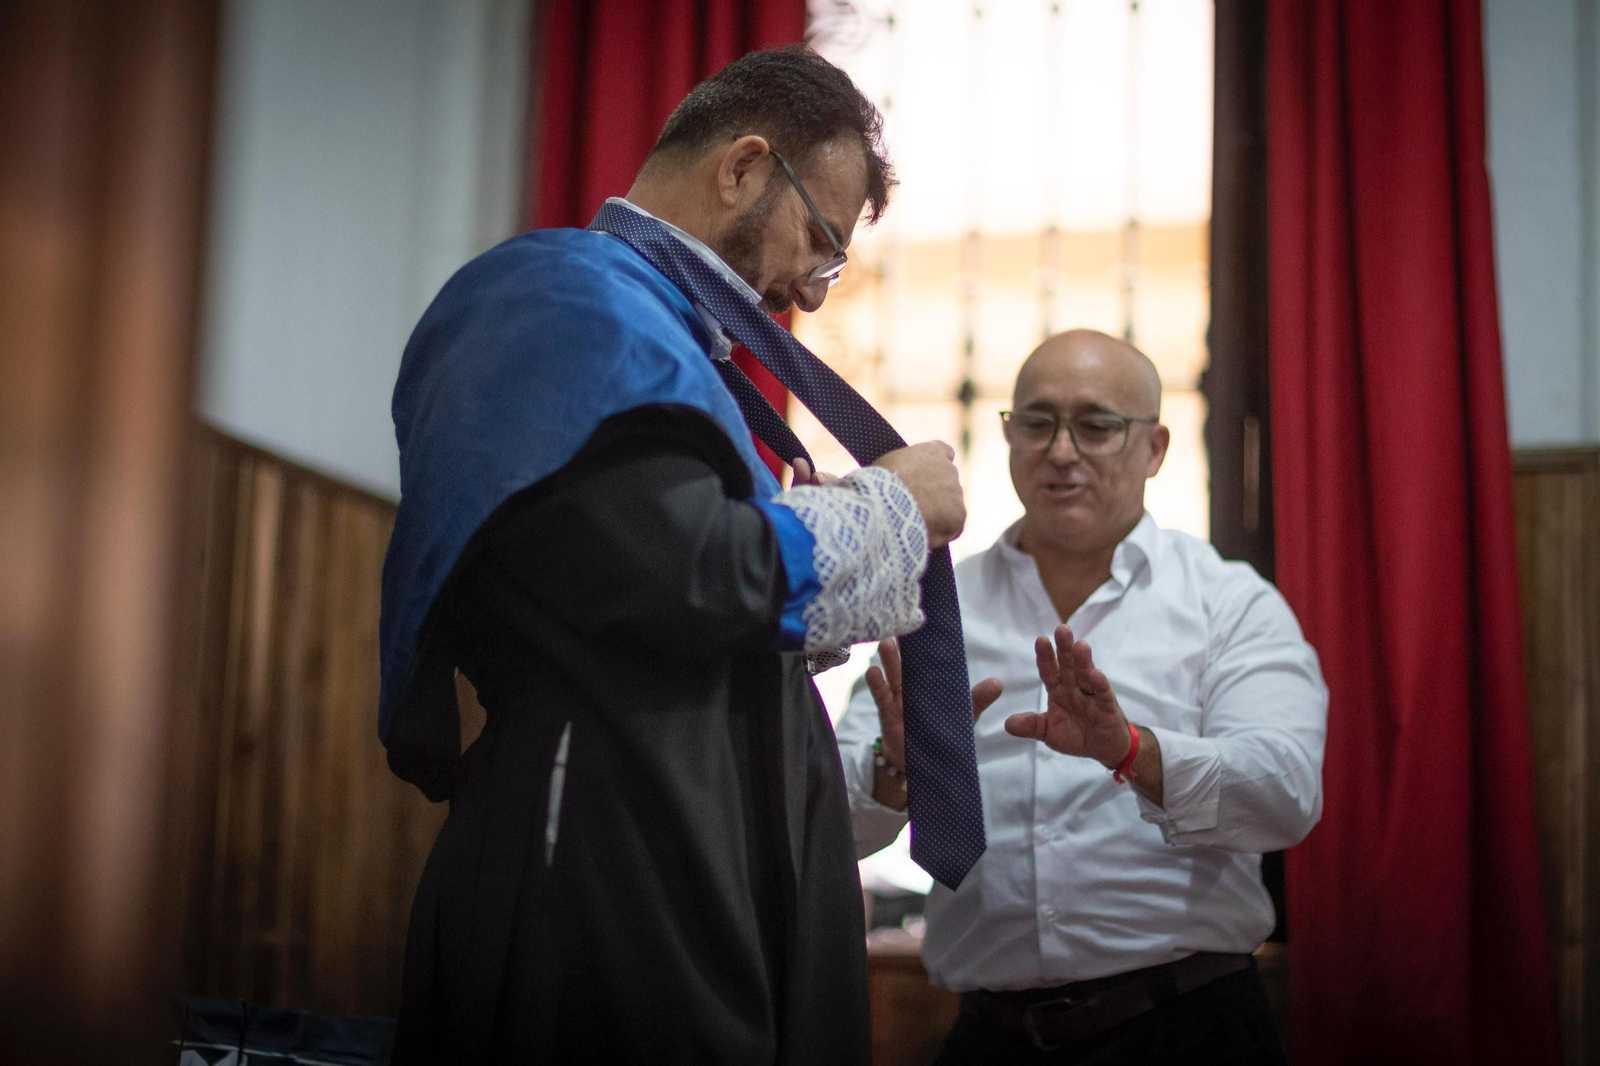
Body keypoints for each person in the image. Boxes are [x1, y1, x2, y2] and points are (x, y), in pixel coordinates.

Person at [378, 49, 967, 1064]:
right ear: (742, 168)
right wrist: (889, 509)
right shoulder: (556, 294)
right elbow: (690, 568)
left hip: (664, 838)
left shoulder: (656, 340)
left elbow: (646, 607)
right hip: (603, 860)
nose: (812, 296)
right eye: (821, 243)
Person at [839, 329, 1328, 1064]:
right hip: (990, 1034)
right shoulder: (936, 606)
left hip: (1189, 1026)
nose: (1061, 451)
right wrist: (894, 769)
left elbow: (1285, 794)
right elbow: (829, 823)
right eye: (1035, 422)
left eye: (1096, 426)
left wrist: (1135, 752)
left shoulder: (1227, 602)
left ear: (1155, 448)